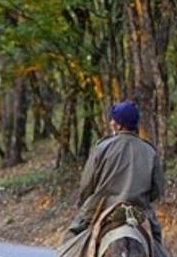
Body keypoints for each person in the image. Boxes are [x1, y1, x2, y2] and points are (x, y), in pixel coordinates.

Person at [66, 100, 164, 245]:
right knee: (157, 244)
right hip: (139, 211)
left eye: (114, 120)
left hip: (101, 207)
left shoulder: (102, 148)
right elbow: (157, 190)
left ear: (119, 125)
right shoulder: (149, 151)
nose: (111, 123)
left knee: (70, 240)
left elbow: (87, 184)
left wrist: (84, 202)